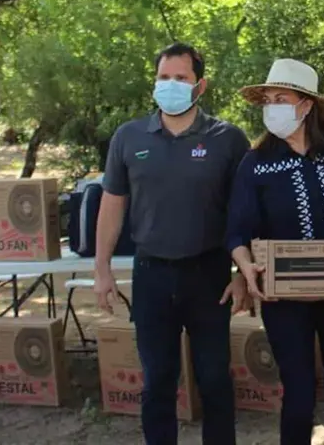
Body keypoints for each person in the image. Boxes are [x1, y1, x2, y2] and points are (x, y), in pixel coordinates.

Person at [93, 42, 250, 445]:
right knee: (158, 381)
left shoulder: (228, 139)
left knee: (214, 379)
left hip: (210, 276)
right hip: (151, 275)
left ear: (200, 85)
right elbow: (112, 206)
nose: (170, 85)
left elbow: (246, 212)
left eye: (181, 78)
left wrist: (243, 274)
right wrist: (101, 270)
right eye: (164, 77)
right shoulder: (129, 137)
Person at [226, 58, 324, 445]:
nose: (272, 107)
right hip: (284, 301)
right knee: (297, 394)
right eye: (268, 100)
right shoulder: (256, 163)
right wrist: (246, 269)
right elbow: (236, 231)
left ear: (306, 105)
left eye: (280, 99)